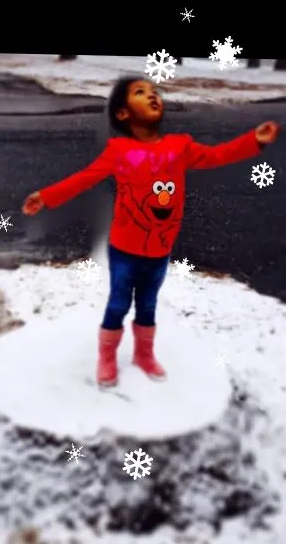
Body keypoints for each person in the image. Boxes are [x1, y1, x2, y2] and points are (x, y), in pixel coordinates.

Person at [22, 76, 280, 387]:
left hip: (159, 250)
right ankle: (106, 357)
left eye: (154, 91)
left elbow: (217, 155)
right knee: (118, 304)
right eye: (140, 93)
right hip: (124, 249)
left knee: (147, 305)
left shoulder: (179, 147)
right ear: (122, 114)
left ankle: (143, 355)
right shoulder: (119, 151)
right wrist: (47, 197)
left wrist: (253, 140)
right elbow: (85, 178)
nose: (152, 96)